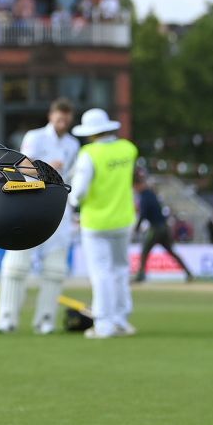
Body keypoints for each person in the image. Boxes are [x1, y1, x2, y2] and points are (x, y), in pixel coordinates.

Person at [0, 99, 80, 334]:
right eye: (59, 117)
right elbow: (21, 167)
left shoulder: (73, 144)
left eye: (66, 118)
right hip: (29, 202)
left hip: (59, 205)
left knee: (55, 268)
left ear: (70, 118)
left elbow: (72, 175)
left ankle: (45, 320)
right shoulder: (35, 137)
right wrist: (47, 166)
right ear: (51, 116)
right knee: (16, 265)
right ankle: (6, 320)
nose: (62, 122)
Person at [66, 107, 138, 338]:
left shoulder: (89, 153)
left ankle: (104, 324)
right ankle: (120, 319)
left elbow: (79, 192)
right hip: (124, 218)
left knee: (101, 273)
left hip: (96, 221)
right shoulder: (128, 149)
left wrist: (72, 200)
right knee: (120, 270)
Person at [132, 167, 193, 282]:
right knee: (171, 252)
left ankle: (141, 275)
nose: (135, 189)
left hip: (155, 228)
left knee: (145, 250)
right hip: (164, 227)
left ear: (138, 185)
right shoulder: (151, 194)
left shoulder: (145, 196)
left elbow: (143, 214)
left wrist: (137, 227)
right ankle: (188, 273)